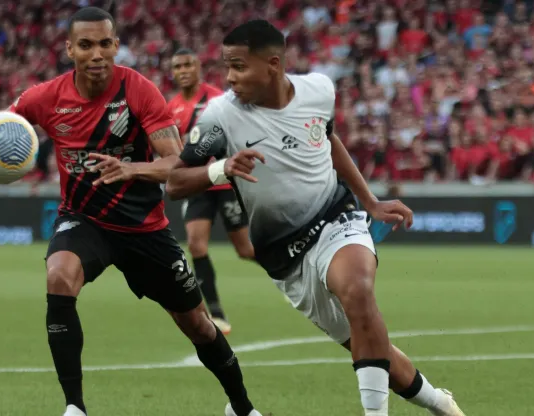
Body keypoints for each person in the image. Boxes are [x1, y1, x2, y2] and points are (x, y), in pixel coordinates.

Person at [0, 8, 261, 416]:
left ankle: (242, 408)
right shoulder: (46, 97)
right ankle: (75, 407)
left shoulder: (139, 91)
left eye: (105, 43)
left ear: (116, 46)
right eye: (86, 45)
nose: (97, 54)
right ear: (70, 49)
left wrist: (131, 169)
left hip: (144, 227)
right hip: (85, 219)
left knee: (196, 323)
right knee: (59, 275)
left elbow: (175, 165)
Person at [166, 20, 465, 416]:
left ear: (272, 64)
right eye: (227, 67)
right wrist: (221, 167)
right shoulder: (220, 115)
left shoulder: (320, 89)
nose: (230, 77)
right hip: (284, 257)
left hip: (335, 218)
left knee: (358, 290)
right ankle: (439, 402)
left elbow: (328, 139)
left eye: (239, 66)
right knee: (369, 342)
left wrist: (370, 201)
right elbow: (174, 182)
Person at [167, 48, 255, 335]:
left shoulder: (217, 99)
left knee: (245, 250)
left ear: (198, 67)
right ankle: (216, 312)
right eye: (177, 66)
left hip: (226, 181)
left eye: (187, 65)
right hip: (198, 183)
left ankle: (292, 262)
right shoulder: (172, 107)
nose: (182, 70)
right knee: (196, 244)